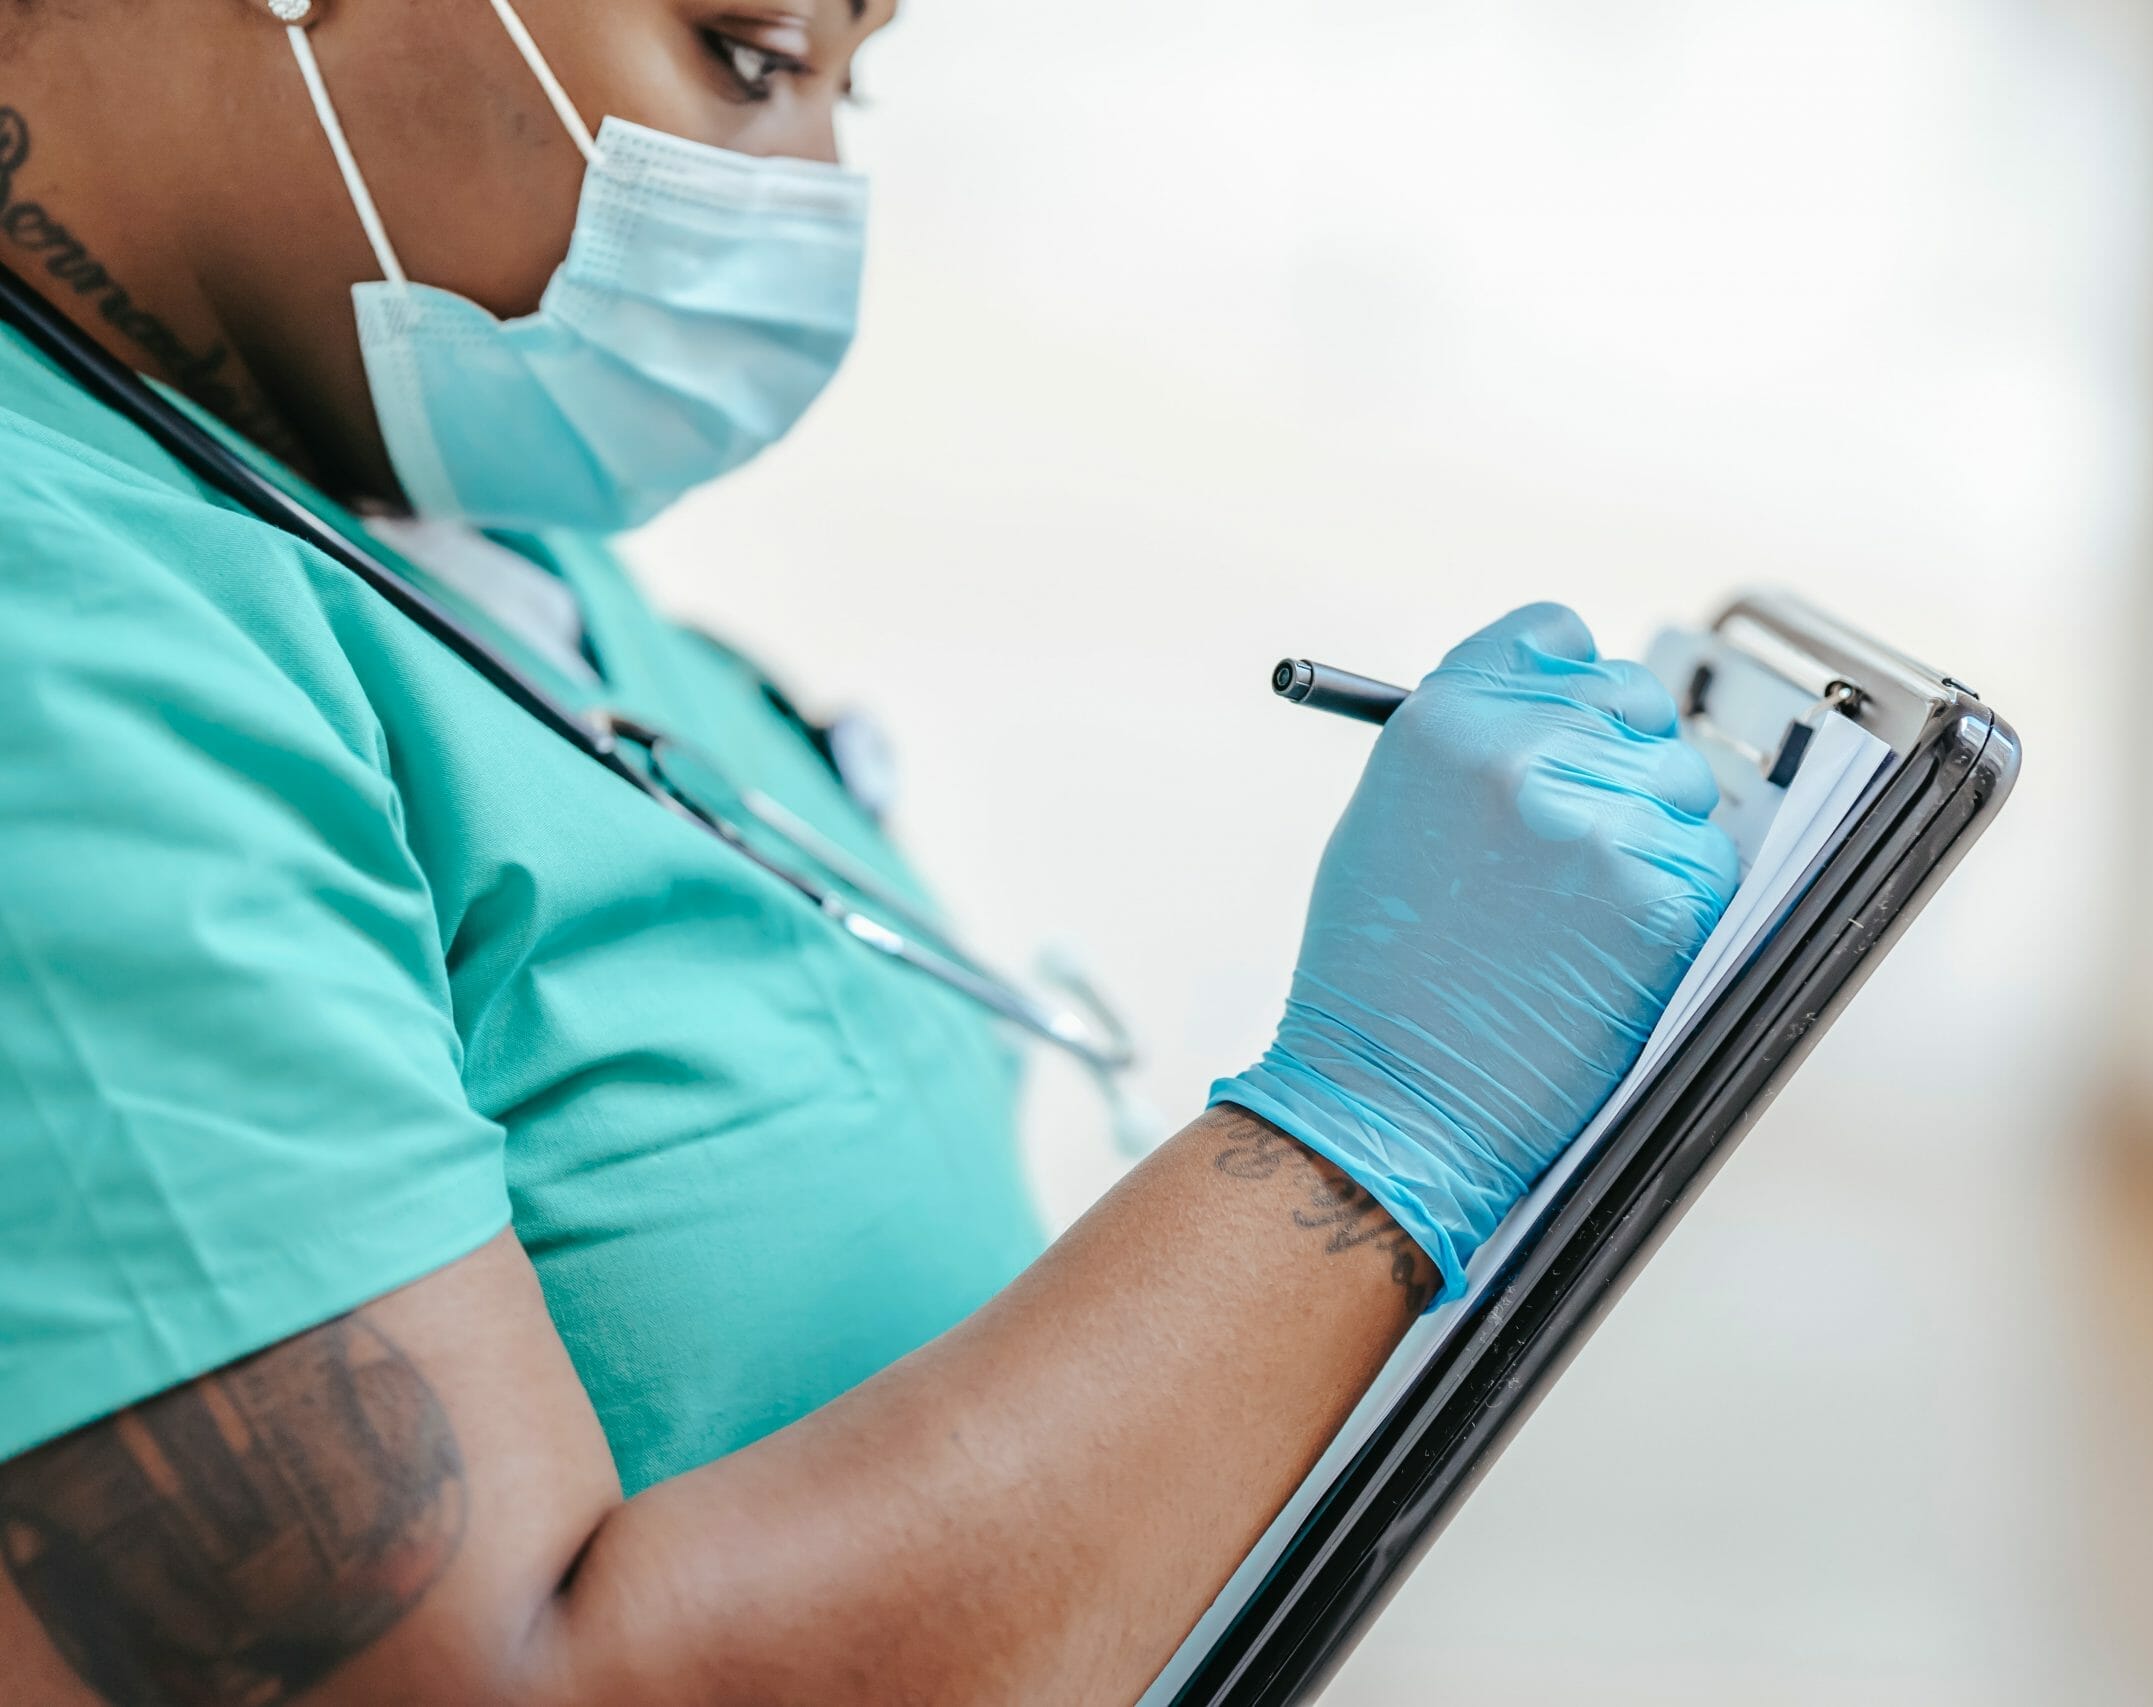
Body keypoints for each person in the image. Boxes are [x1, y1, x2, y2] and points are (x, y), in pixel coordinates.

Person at [0, 2, 1741, 1702]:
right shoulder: (55, 643)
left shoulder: (417, 495)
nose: (815, 194)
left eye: (858, 87)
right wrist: (1384, 1123)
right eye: (752, 57)